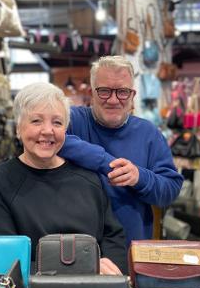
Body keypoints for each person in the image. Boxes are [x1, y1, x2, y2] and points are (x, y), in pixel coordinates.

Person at [0, 82, 128, 274]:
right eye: (36, 121)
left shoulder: (89, 180)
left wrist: (112, 272)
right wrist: (83, 268)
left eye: (57, 122)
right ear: (18, 128)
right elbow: (4, 259)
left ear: (65, 130)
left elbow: (113, 236)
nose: (48, 130)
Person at [59, 55, 183, 247]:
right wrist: (103, 160)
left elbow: (170, 189)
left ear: (132, 95)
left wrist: (139, 177)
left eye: (122, 92)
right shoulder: (72, 120)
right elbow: (50, 138)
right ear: (92, 93)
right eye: (104, 91)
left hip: (129, 251)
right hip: (74, 249)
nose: (113, 100)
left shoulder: (148, 133)